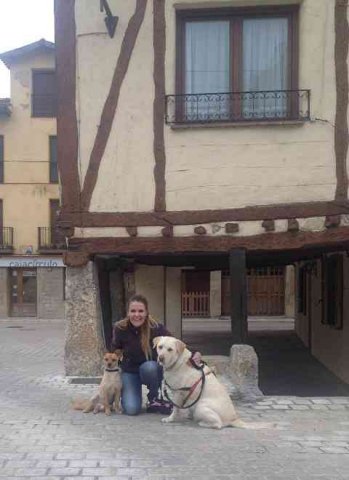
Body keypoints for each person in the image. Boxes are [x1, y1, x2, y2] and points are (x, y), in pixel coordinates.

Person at [111, 293, 172, 416]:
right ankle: (126, 393)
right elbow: (114, 350)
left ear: (146, 312)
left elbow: (173, 344)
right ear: (128, 312)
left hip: (150, 369)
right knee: (131, 409)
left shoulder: (156, 327)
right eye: (133, 311)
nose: (137, 315)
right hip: (130, 371)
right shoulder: (120, 328)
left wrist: (192, 355)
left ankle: (153, 398)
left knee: (150, 367)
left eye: (140, 311)